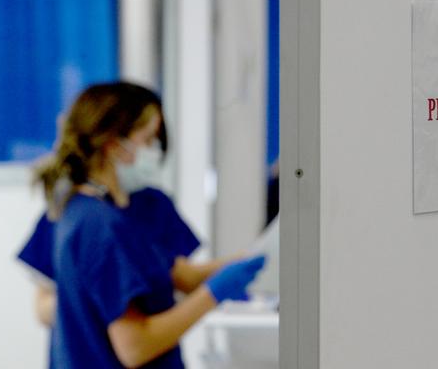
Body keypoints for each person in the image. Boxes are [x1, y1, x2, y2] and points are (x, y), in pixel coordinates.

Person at [17, 81, 266, 368]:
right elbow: (134, 347)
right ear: (113, 144)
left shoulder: (88, 213)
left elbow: (176, 275)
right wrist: (213, 294)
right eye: (147, 140)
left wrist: (249, 264)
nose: (155, 151)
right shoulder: (100, 226)